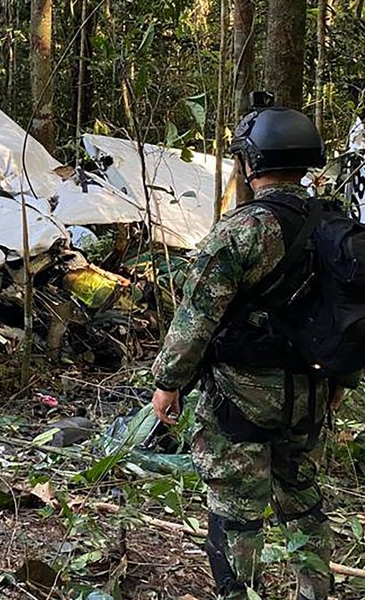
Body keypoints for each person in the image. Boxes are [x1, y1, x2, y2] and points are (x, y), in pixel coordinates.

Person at [151, 105, 353, 600]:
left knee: (236, 512)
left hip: (240, 399)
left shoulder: (242, 232)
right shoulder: (335, 226)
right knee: (302, 499)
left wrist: (167, 383)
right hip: (311, 393)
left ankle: (238, 593)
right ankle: (315, 591)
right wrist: (341, 383)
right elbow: (349, 313)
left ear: (251, 162)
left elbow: (194, 319)